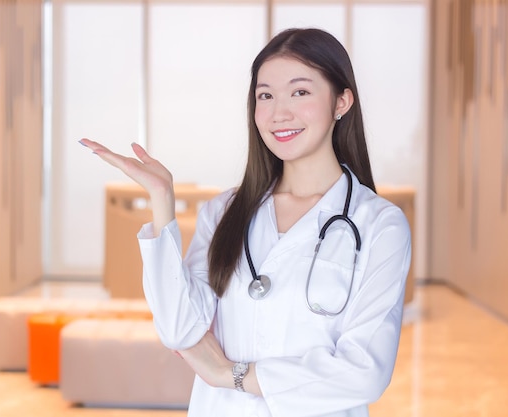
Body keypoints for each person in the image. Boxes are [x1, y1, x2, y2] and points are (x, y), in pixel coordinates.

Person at [80, 28, 411, 417]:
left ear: (342, 101)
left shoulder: (379, 226)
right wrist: (161, 202)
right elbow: (180, 329)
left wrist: (230, 374)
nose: (279, 113)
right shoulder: (224, 212)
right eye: (265, 96)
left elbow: (364, 372)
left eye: (300, 92)